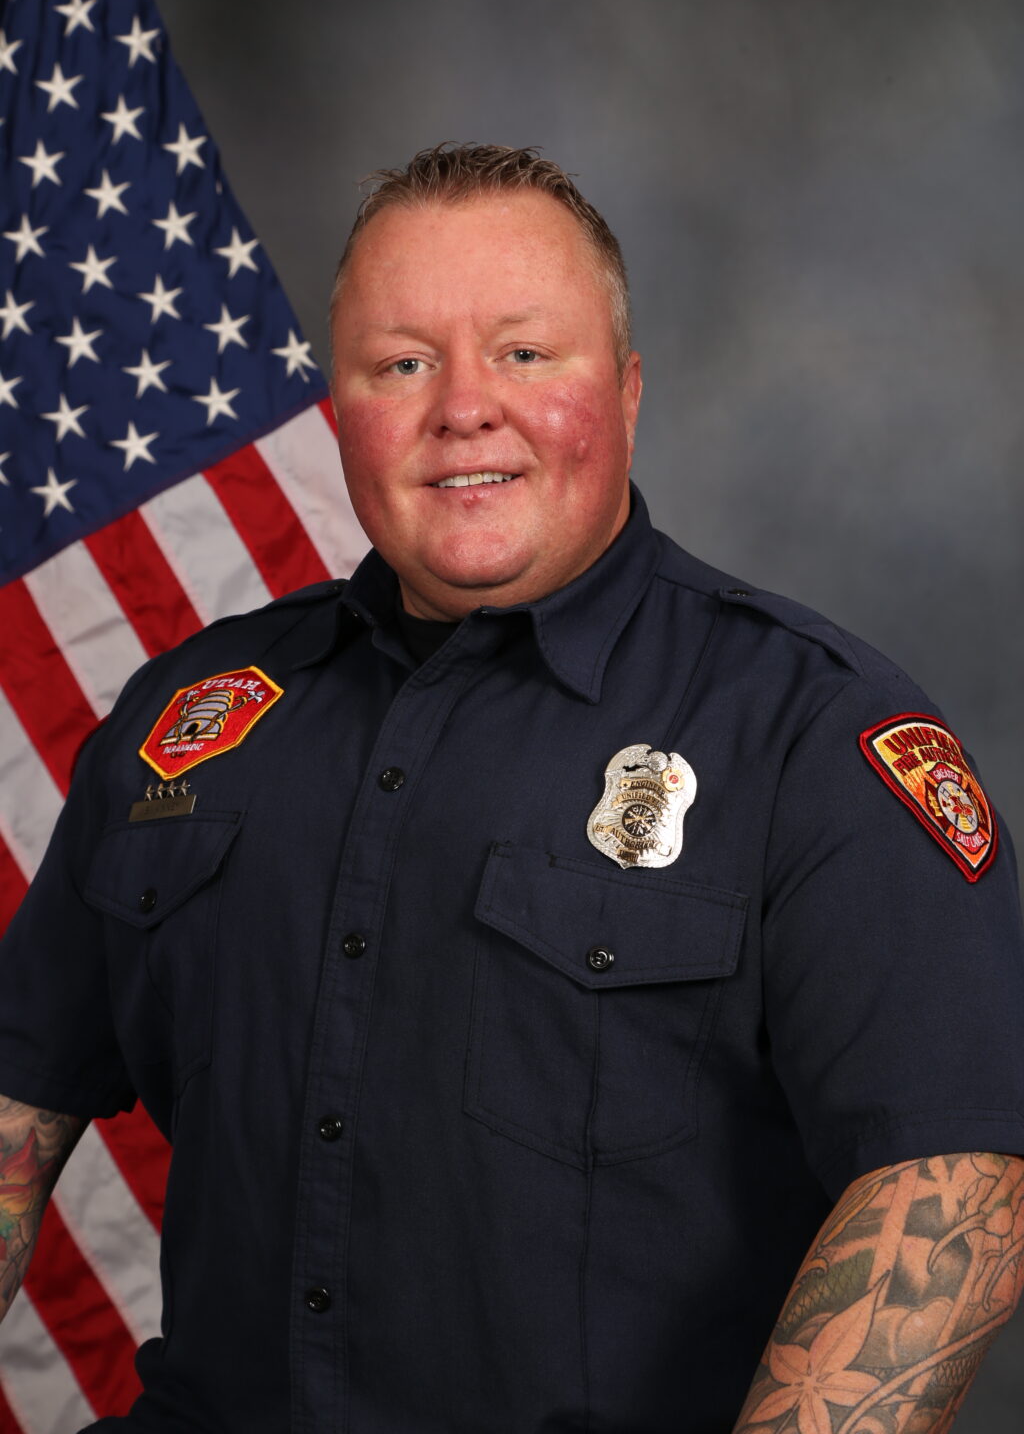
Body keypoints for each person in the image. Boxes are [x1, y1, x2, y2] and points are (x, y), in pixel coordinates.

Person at [1, 143, 1023, 1434]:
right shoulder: (185, 725)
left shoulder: (812, 734)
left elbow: (955, 1190)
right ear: (341, 411)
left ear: (628, 392)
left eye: (525, 354)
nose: (463, 408)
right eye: (401, 364)